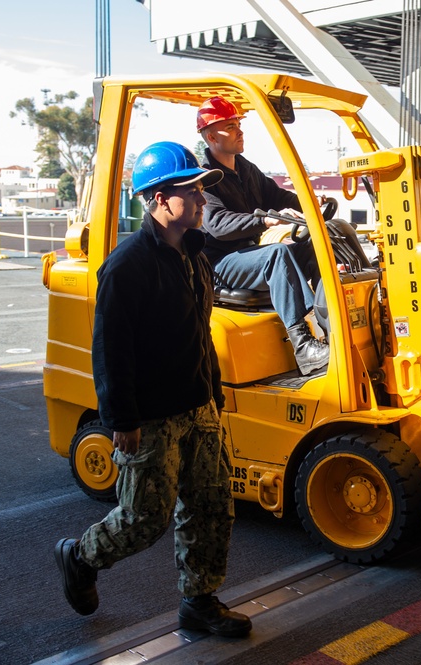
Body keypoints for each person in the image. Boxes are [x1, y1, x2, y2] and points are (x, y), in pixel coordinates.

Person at [54, 141, 251, 639]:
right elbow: (110, 351)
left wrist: (214, 394)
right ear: (161, 199)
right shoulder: (128, 265)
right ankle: (81, 555)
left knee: (211, 506)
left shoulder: (194, 255)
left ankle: (200, 601)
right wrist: (122, 419)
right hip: (152, 416)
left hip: (199, 405)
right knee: (145, 518)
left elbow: (199, 331)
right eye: (193, 192)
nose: (204, 200)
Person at [196, 96, 329, 375]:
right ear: (211, 136)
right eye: (230, 127)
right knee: (276, 254)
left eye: (238, 125)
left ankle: (331, 327)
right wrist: (264, 219)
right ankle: (303, 346)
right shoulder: (205, 178)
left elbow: (279, 196)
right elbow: (219, 224)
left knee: (314, 244)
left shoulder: (246, 170)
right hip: (221, 263)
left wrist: (310, 203)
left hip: (249, 257)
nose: (239, 131)